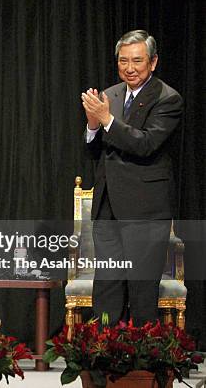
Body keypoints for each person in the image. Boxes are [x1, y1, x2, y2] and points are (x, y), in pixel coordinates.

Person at [81, 30, 182, 326]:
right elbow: (93, 152)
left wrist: (107, 120)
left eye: (137, 61)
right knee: (107, 287)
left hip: (145, 210)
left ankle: (140, 365)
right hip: (108, 206)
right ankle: (105, 359)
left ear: (152, 63)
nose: (129, 68)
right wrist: (92, 126)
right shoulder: (110, 95)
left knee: (141, 290)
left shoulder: (167, 98)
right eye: (123, 61)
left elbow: (145, 143)